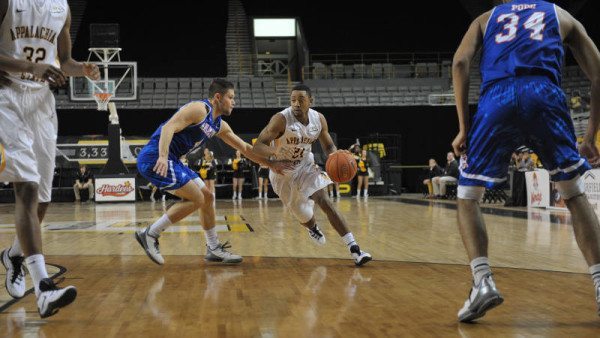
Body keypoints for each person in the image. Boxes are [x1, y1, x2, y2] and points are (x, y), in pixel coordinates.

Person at [451, 0, 600, 322]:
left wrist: (464, 127)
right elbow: (598, 74)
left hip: (498, 96)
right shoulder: (560, 15)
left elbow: (461, 62)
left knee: (467, 195)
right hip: (544, 93)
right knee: (573, 193)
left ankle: (482, 281)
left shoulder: (486, 18)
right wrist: (589, 134)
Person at [0, 0, 100, 318]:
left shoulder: (62, 8)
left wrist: (80, 68)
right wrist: (29, 68)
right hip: (8, 96)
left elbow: (65, 61)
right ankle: (43, 288)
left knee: (43, 199)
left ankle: (15, 256)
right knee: (27, 189)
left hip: (42, 102)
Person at [134, 79, 287, 266]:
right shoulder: (200, 109)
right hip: (155, 157)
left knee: (207, 197)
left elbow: (246, 149)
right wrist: (163, 157)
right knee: (197, 198)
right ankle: (150, 233)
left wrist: (271, 163)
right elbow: (168, 127)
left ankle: (213, 248)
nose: (234, 102)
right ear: (217, 97)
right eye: (230, 97)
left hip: (173, 160)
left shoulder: (218, 125)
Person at [254, 84, 372, 266]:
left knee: (324, 200)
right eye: (293, 100)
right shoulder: (280, 120)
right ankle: (312, 227)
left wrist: (335, 155)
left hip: (305, 166)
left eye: (300, 100)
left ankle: (355, 249)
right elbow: (258, 146)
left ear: (310, 100)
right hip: (282, 173)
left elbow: (328, 146)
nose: (296, 104)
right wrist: (274, 157)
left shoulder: (319, 119)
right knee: (304, 215)